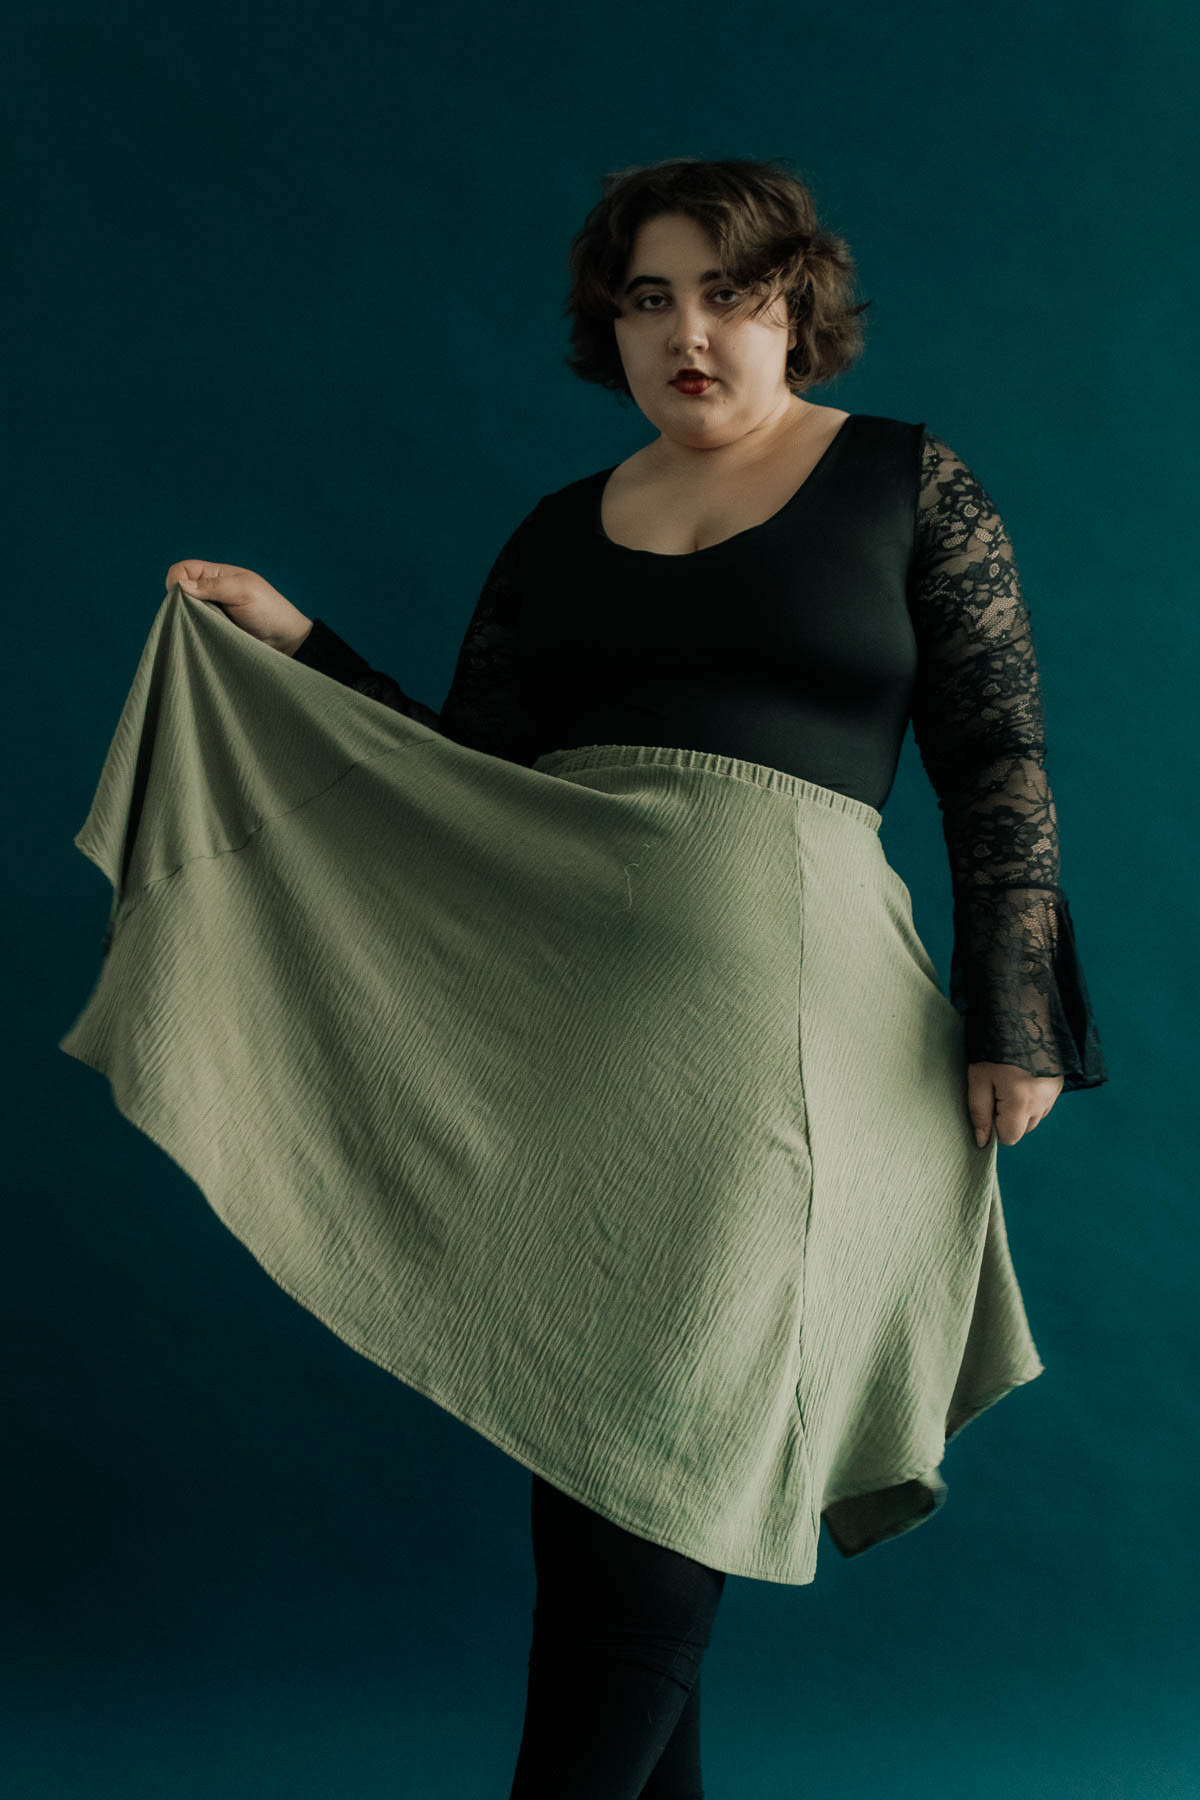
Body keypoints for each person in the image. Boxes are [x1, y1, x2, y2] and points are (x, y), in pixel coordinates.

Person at [71, 156, 1106, 1800]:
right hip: (583, 1059)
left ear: (796, 307)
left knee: (657, 1495)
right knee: (608, 1488)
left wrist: (1019, 1014)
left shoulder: (907, 482)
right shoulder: (561, 531)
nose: (687, 333)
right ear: (609, 326)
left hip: (802, 1056)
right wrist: (300, 648)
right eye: (648, 299)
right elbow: (468, 786)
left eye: (727, 294)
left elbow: (999, 761)